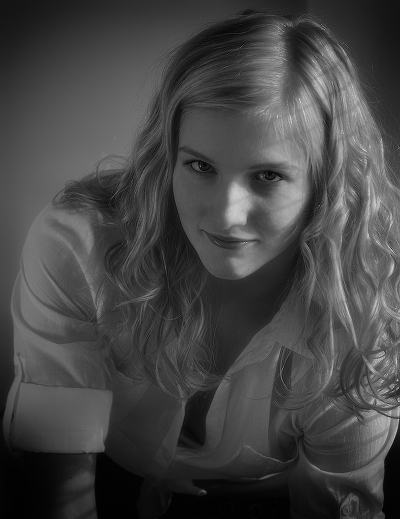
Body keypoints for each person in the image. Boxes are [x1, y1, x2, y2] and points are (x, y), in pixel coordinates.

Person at [3, 9, 400, 519]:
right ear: (168, 156)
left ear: (327, 184)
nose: (226, 215)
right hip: (112, 477)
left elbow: (337, 506)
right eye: (200, 165)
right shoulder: (81, 247)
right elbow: (59, 492)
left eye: (268, 176)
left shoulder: (361, 313)